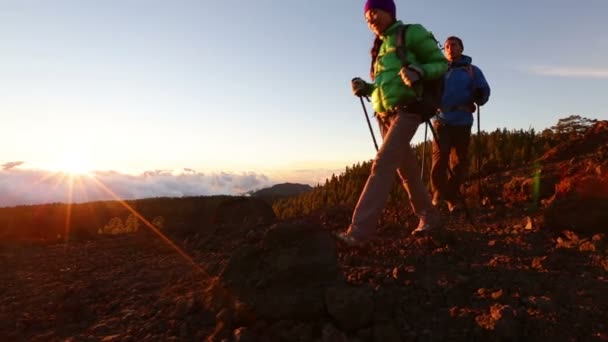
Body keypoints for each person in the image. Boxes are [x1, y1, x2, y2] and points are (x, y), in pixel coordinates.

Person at [337, 0, 448, 245]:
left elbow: (441, 63)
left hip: (408, 109)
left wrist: (419, 71)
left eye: (374, 13)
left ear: (389, 11)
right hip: (384, 114)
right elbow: (383, 86)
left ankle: (359, 232)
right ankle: (429, 217)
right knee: (406, 171)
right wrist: (366, 88)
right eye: (367, 18)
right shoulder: (380, 48)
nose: (370, 20)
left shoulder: (412, 32)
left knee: (382, 164)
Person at [430, 36, 491, 212]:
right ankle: (440, 195)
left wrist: (481, 95)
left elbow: (484, 90)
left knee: (460, 163)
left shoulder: (472, 70)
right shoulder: (438, 70)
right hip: (441, 120)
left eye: (453, 45)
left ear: (461, 48)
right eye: (447, 46)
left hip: (463, 120)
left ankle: (450, 196)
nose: (449, 48)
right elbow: (430, 90)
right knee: (440, 160)